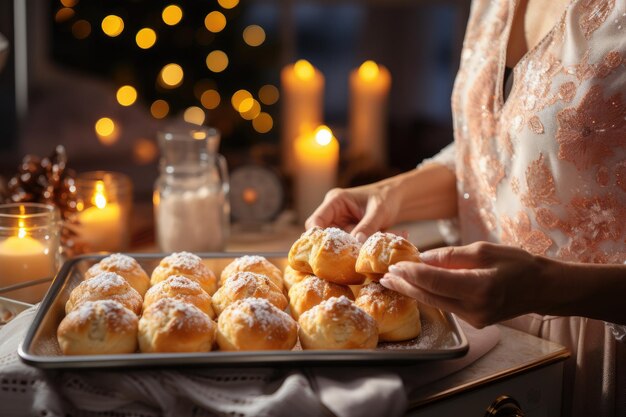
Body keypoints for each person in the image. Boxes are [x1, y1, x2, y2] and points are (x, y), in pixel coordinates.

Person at [306, 0, 626, 416]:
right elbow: (504, 148)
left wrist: (549, 288)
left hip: (604, 357)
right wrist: (393, 194)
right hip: (485, 342)